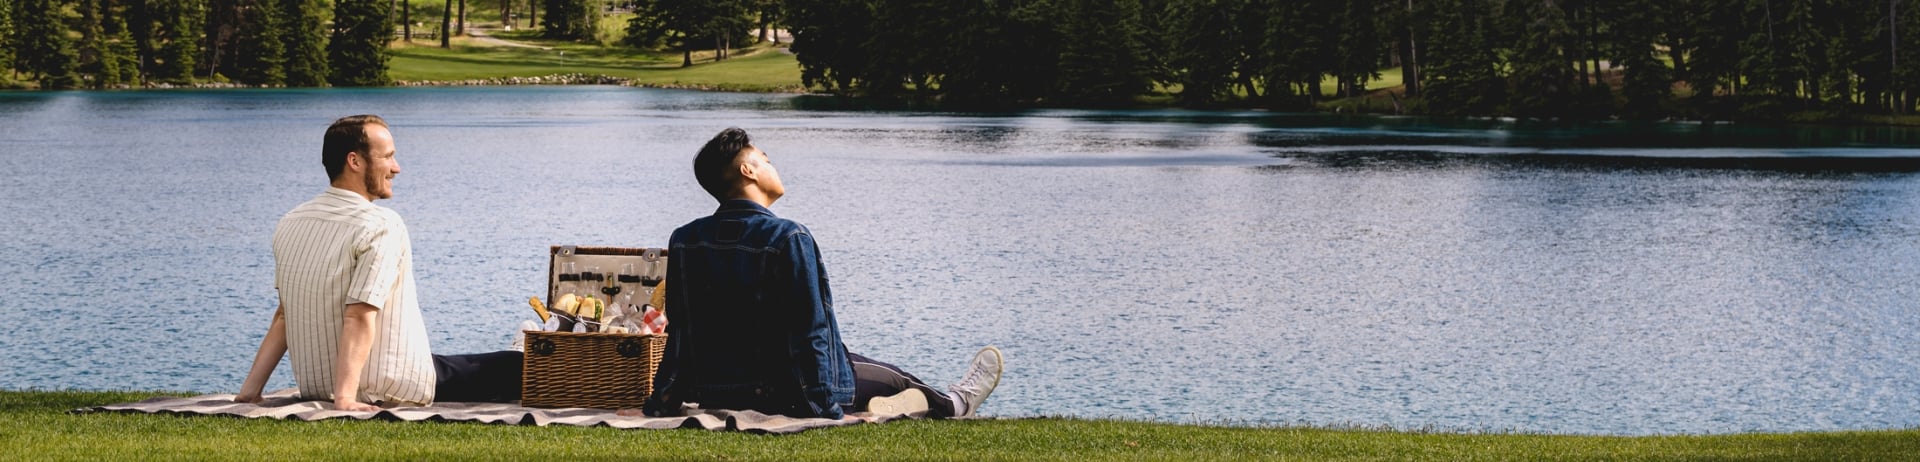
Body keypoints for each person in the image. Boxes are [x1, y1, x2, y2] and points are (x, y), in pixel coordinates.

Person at [637, 127, 1003, 420]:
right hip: (782, 391)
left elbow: (682, 331)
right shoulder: (788, 237)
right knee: (893, 377)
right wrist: (823, 409)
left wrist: (664, 398)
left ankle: (912, 402)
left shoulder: (685, 239)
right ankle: (956, 404)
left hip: (716, 389)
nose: (773, 167)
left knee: (861, 364)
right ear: (748, 171)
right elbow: (809, 330)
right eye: (766, 160)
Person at [234, 115, 523, 410]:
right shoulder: (380, 225)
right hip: (389, 386)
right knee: (521, 366)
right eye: (388, 157)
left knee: (462, 364)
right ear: (355, 162)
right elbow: (358, 314)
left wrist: (250, 391)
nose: (396, 168)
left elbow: (284, 316)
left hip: (318, 386)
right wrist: (345, 399)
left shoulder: (291, 222)